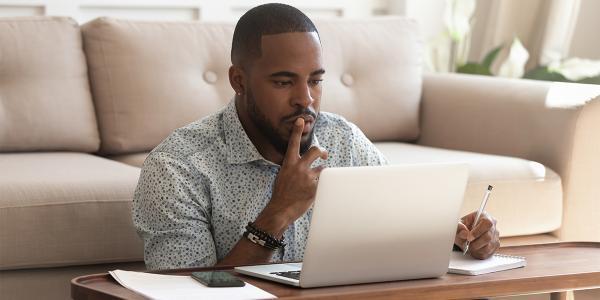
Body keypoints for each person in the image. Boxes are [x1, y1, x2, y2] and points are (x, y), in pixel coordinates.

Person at [132, 3, 500, 271]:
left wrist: (457, 238)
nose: (305, 99)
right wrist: (277, 213)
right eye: (283, 81)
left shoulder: (343, 141)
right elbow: (185, 292)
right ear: (239, 81)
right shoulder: (177, 168)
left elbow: (400, 227)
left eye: (316, 80)